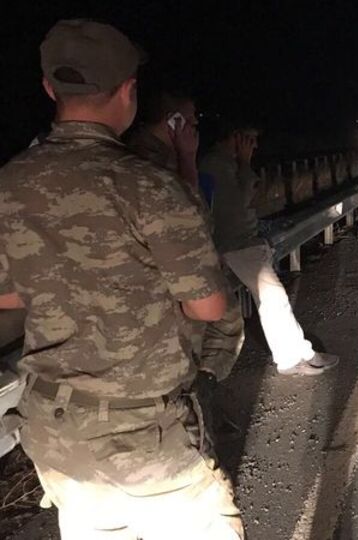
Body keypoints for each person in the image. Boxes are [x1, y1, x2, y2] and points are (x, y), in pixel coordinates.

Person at [0, 20, 243, 537]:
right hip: (142, 435)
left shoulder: (9, 182)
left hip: (54, 429)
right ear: (129, 90)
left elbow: (5, 293)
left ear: (49, 88)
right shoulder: (150, 186)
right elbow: (208, 308)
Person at [126, 88, 246, 417]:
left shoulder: (150, 153)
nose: (196, 127)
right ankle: (192, 408)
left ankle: (197, 399)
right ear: (173, 121)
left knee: (223, 323)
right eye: (191, 120)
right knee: (213, 326)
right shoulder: (152, 161)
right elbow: (196, 217)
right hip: (164, 277)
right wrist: (188, 160)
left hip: (168, 271)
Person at [200, 123, 339, 376]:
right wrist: (245, 164)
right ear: (235, 135)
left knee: (272, 299)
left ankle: (298, 355)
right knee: (274, 298)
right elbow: (237, 208)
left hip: (242, 242)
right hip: (237, 244)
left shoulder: (223, 163)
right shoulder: (216, 165)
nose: (254, 146)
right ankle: (296, 357)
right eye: (250, 140)